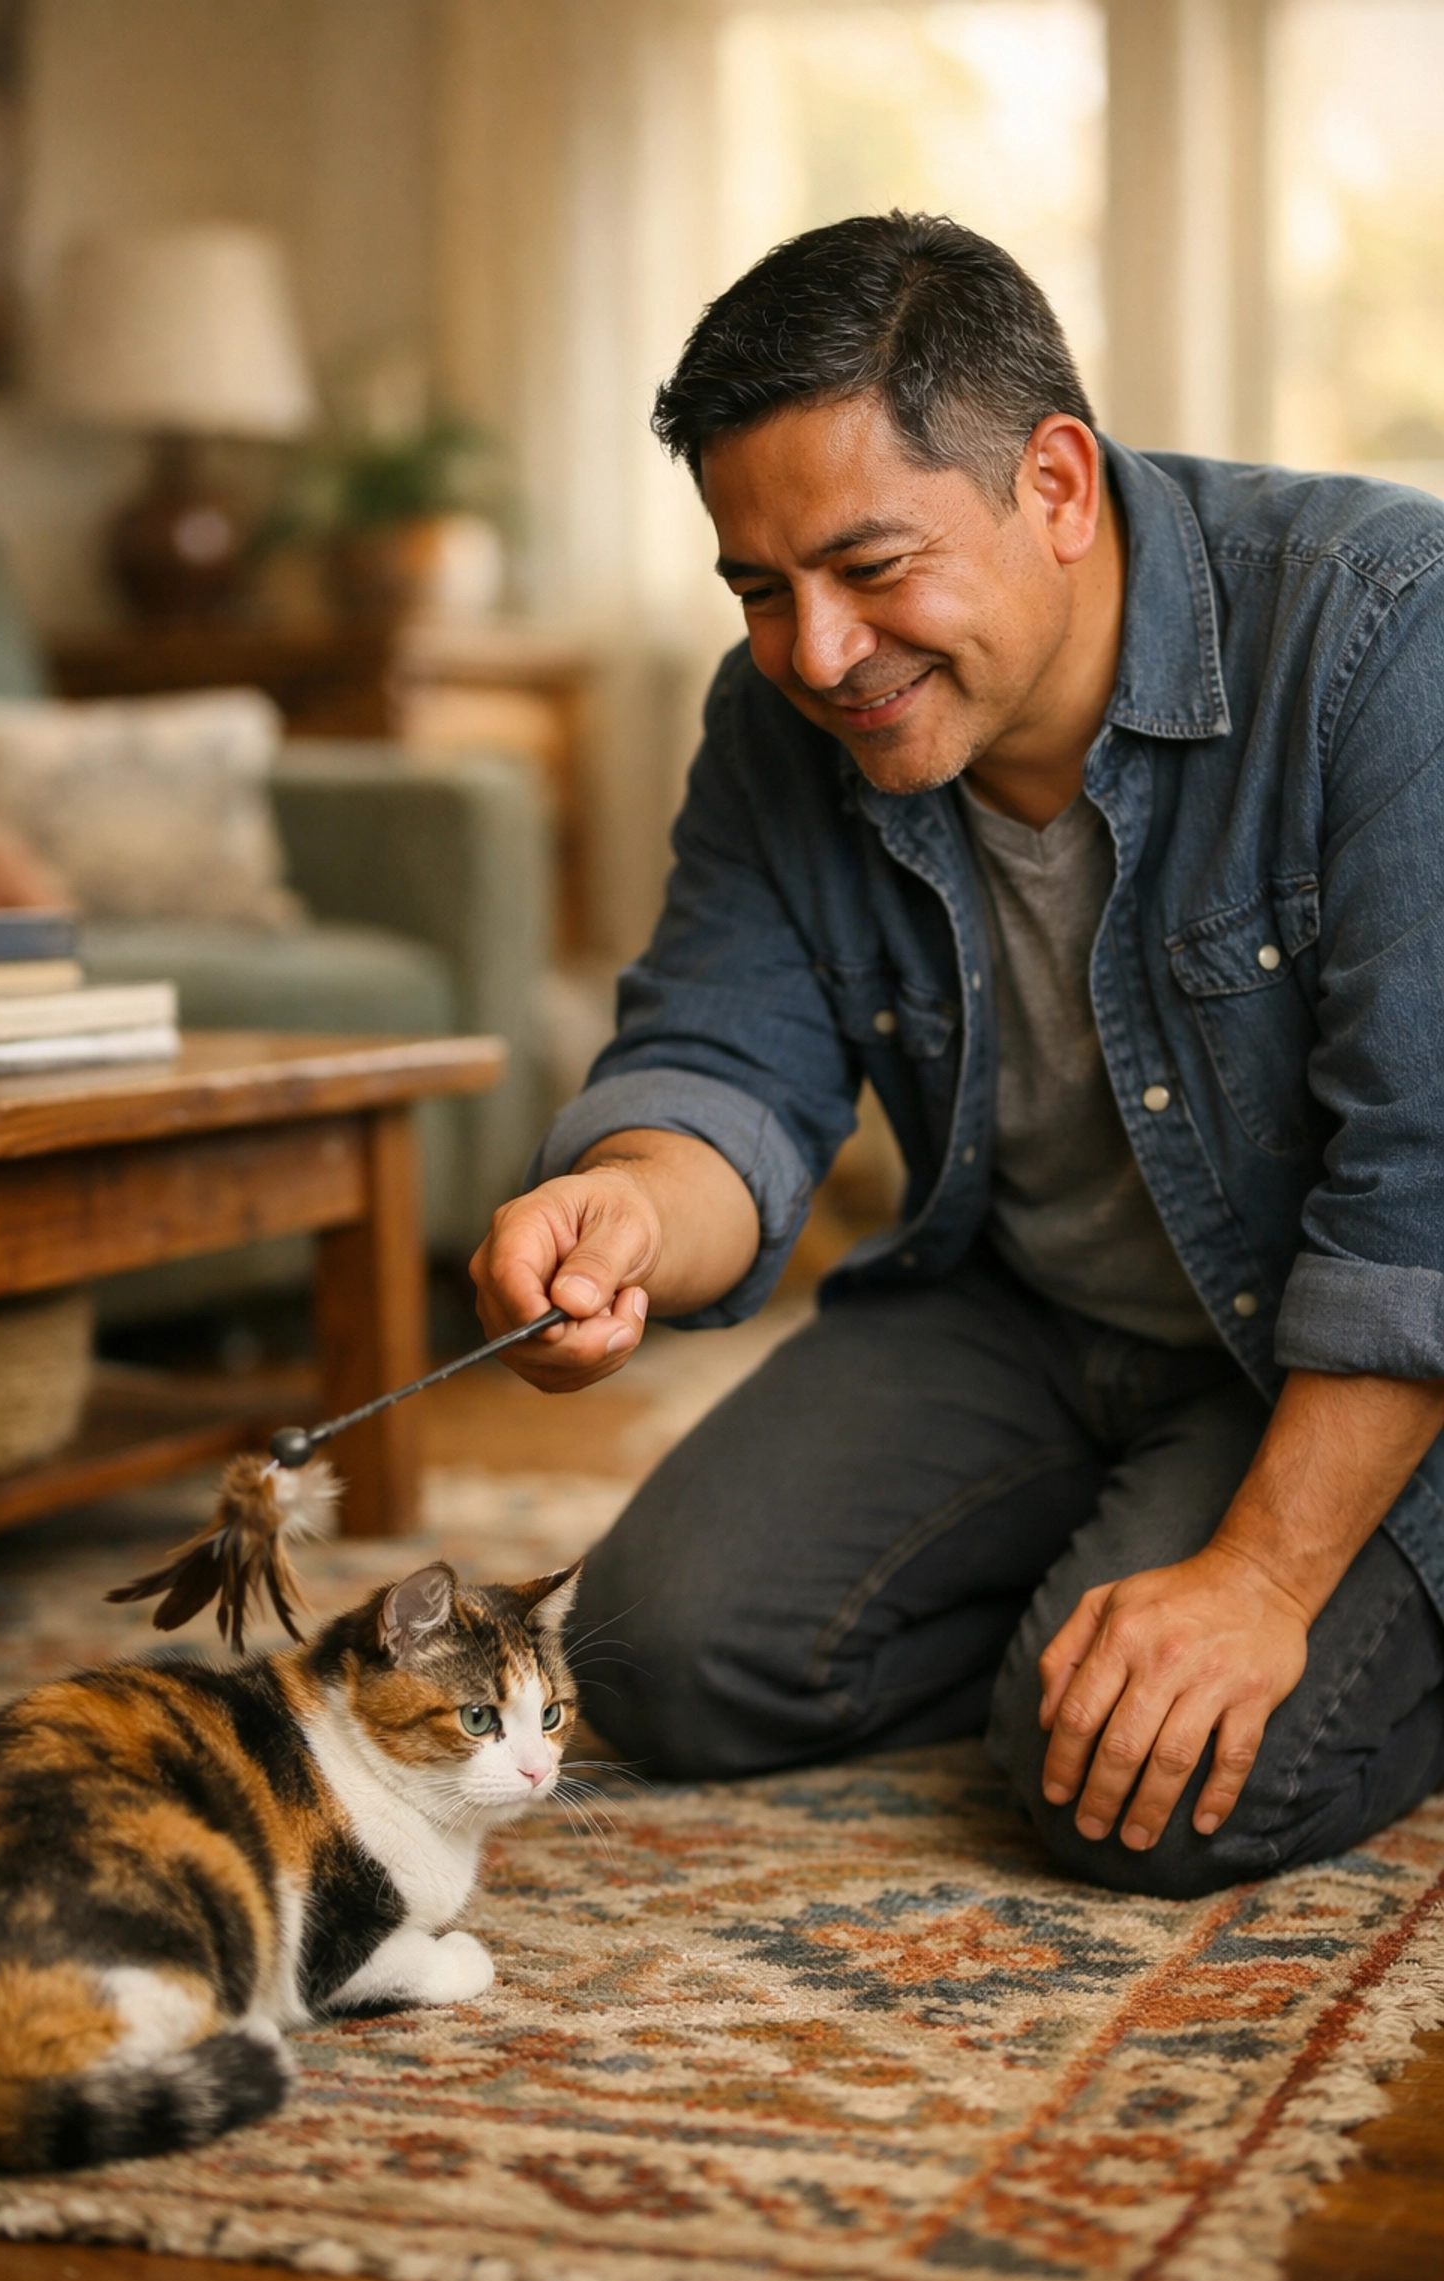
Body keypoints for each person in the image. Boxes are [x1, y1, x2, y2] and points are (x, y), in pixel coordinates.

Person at [469, 211, 1444, 1898]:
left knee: (1135, 1799)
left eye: (869, 567)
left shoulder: (1386, 636)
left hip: (1335, 1346)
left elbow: (1423, 1198)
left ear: (1056, 484)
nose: (818, 654)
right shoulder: (772, 718)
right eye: (760, 591)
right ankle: (1092, 1595)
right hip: (1033, 1313)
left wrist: (1269, 1583)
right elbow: (727, 1064)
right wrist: (624, 1207)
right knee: (645, 1654)